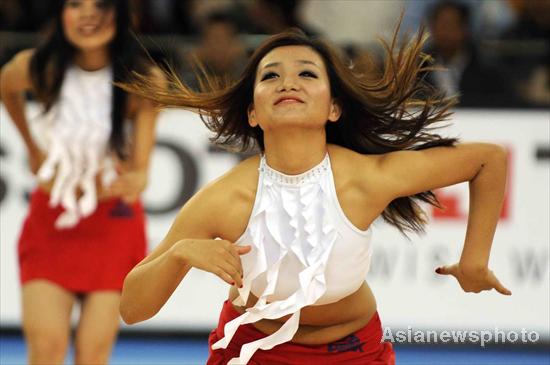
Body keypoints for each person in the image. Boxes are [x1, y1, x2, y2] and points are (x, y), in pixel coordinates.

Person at [119, 27, 511, 365]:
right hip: (251, 351)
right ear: (253, 112)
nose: (288, 83)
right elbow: (133, 308)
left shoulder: (365, 179)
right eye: (270, 76)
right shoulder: (226, 199)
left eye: (307, 73)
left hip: (356, 350)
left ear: (334, 108)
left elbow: (488, 161)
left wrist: (474, 260)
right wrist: (179, 253)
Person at [0, 0, 161, 364]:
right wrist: (31, 145)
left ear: (121, 15)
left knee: (92, 356)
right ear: (61, 14)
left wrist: (136, 178)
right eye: (75, 4)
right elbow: (6, 87)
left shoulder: (143, 79)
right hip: (51, 224)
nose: (88, 14)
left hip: (113, 229)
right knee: (46, 350)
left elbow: (141, 170)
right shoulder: (38, 66)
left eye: (101, 5)